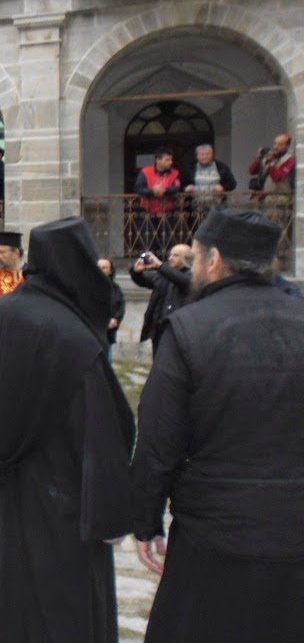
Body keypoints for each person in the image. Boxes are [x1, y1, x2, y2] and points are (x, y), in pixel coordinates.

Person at [0, 216, 136, 643]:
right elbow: (103, 436)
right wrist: (111, 515)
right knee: (56, 612)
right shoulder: (73, 339)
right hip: (57, 509)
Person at [131, 208, 304, 643]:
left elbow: (159, 442)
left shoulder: (191, 329)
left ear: (214, 261)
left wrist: (146, 520)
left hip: (214, 541)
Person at [129, 244, 192, 355]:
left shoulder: (190, 274)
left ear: (186, 258)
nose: (170, 258)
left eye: (176, 255)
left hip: (177, 329)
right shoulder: (163, 274)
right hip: (158, 327)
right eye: (170, 255)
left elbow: (183, 281)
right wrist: (136, 271)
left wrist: (160, 266)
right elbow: (144, 281)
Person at [135, 148, 181, 254]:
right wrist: (152, 191)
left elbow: (177, 188)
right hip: (148, 210)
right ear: (158, 160)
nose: (171, 162)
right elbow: (139, 188)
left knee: (168, 240)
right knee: (147, 241)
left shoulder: (175, 173)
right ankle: (145, 263)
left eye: (171, 160)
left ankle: (166, 264)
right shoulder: (145, 172)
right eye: (167, 160)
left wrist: (164, 190)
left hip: (168, 211)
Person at [248, 133, 295, 226]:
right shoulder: (270, 157)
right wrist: (258, 158)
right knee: (265, 227)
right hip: (267, 198)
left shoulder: (290, 160)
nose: (275, 147)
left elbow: (278, 177)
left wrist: (270, 164)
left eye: (279, 144)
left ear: (287, 146)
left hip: (281, 200)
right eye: (275, 143)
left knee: (279, 229)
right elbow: (252, 171)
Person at [183, 144, 236, 209]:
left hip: (218, 206)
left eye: (207, 154)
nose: (205, 156)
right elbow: (181, 183)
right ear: (197, 156)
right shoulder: (190, 168)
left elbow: (232, 183)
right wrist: (186, 188)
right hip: (196, 209)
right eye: (202, 154)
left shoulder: (221, 166)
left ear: (212, 155)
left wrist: (223, 188)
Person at [98, 257, 125, 361]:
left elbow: (120, 306)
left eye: (104, 268)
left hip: (107, 333)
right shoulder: (86, 287)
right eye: (98, 267)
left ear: (110, 271)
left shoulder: (115, 289)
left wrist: (115, 319)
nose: (100, 270)